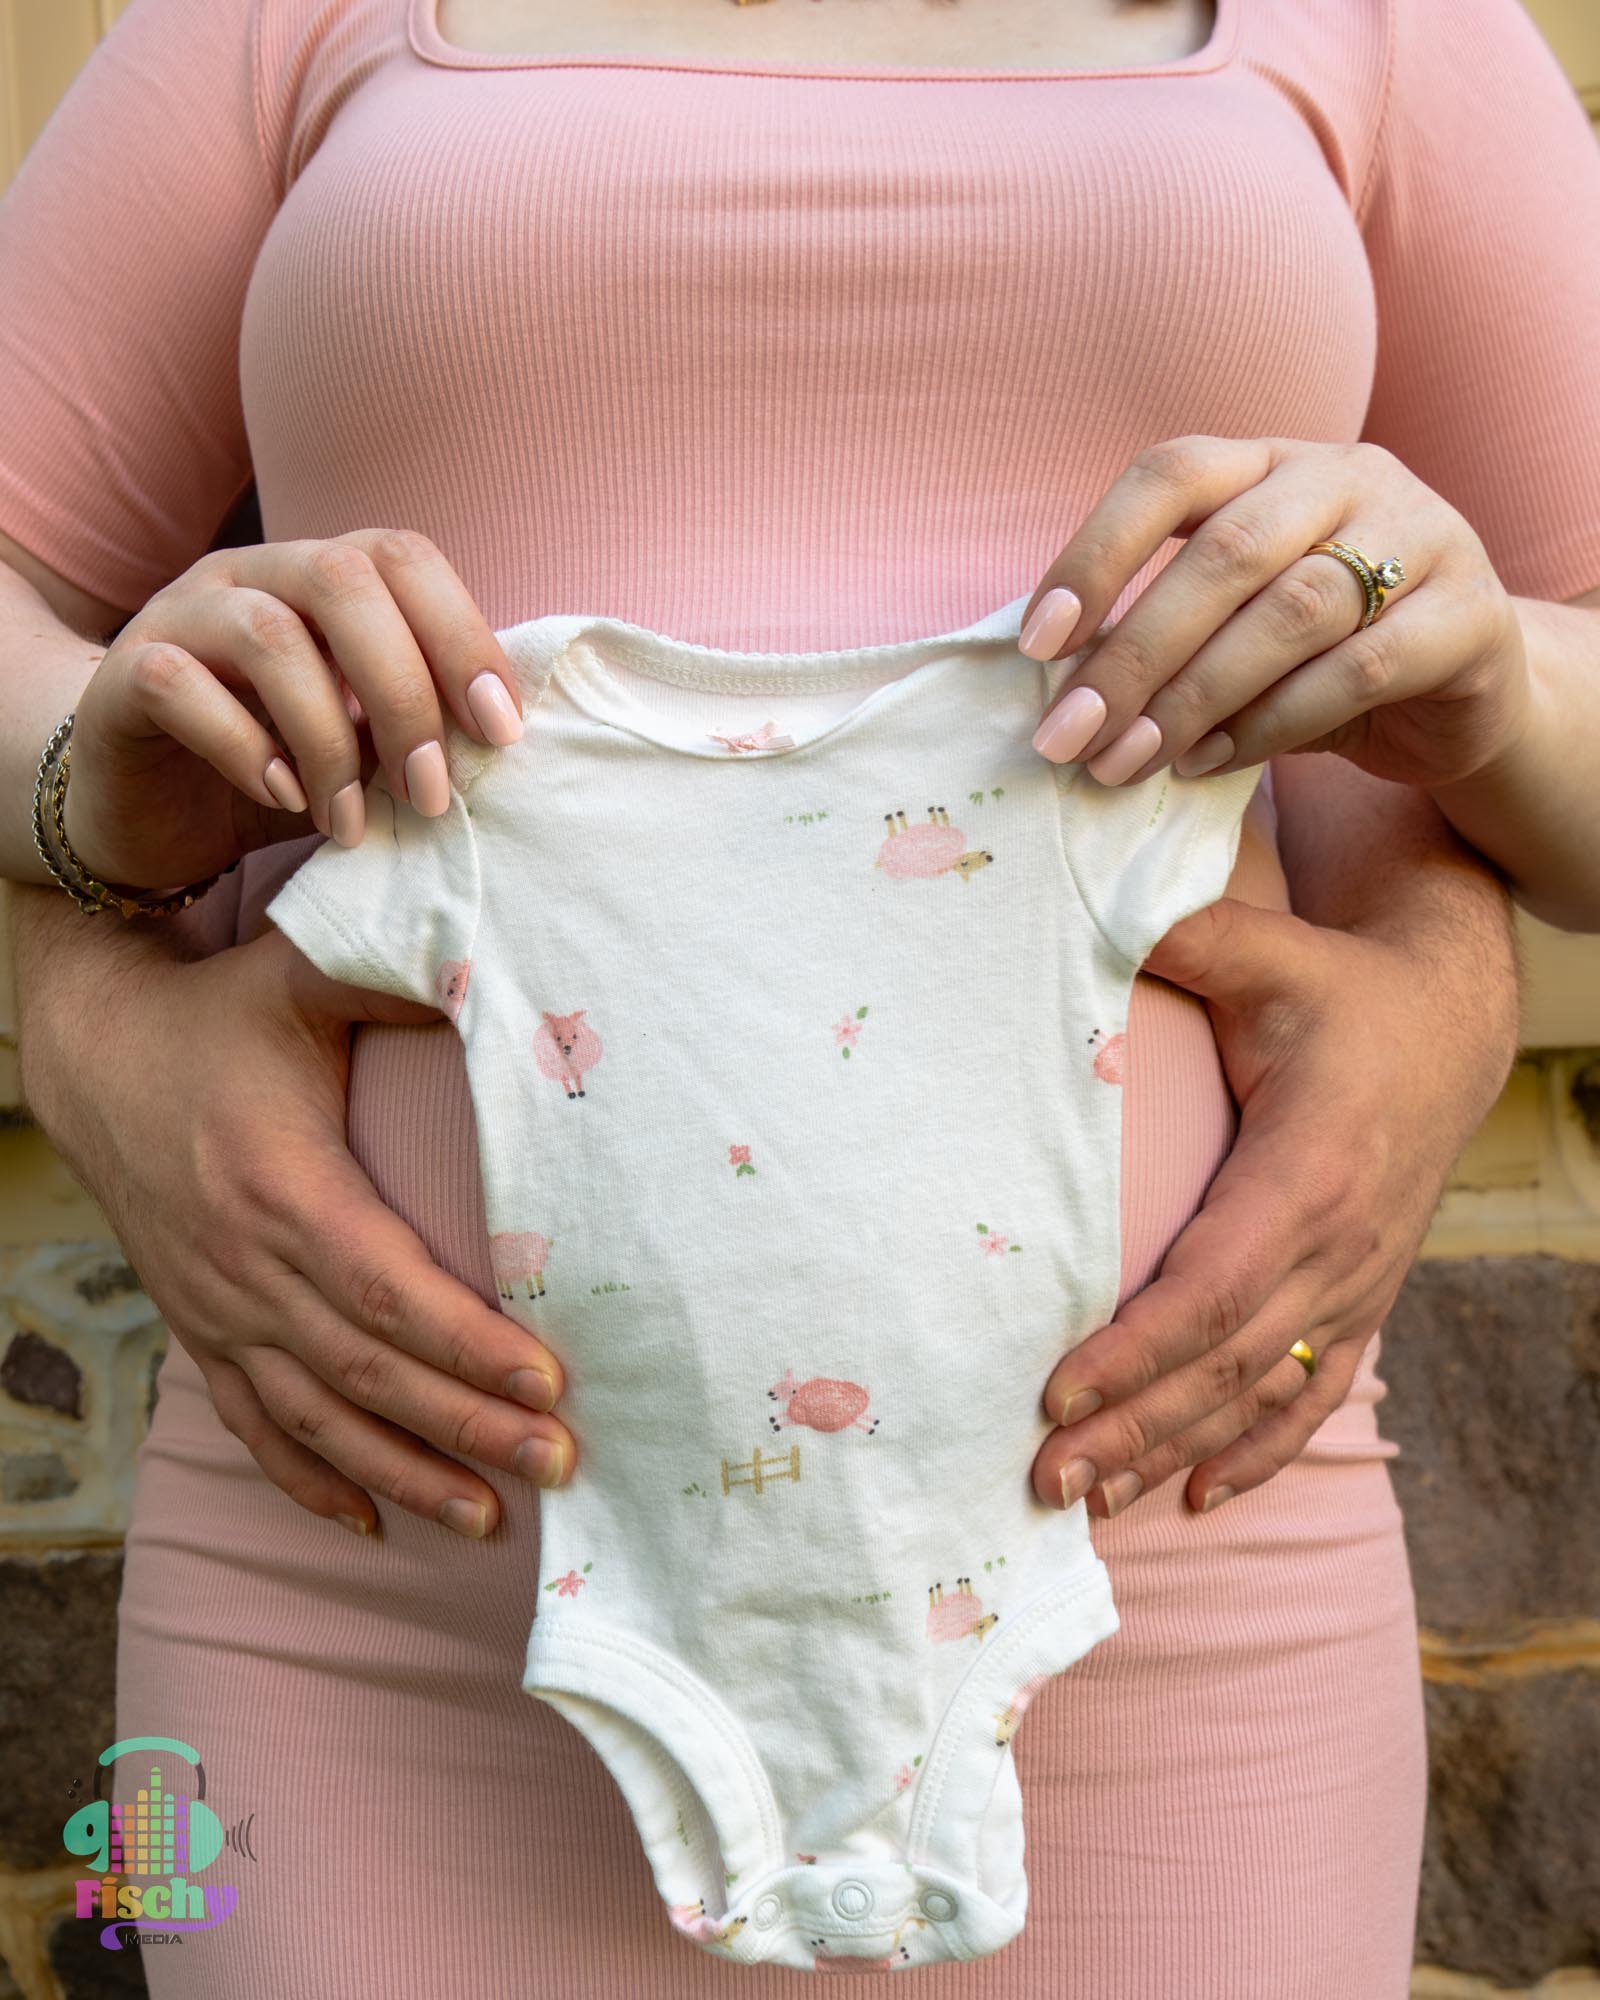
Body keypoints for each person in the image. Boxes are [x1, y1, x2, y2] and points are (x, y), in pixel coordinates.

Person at [1, 0, 1596, 1992]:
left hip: (1155, 1551)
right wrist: (86, 947)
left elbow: (1554, 710)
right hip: (370, 1559)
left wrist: (1481, 748)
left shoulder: (1378, 29)